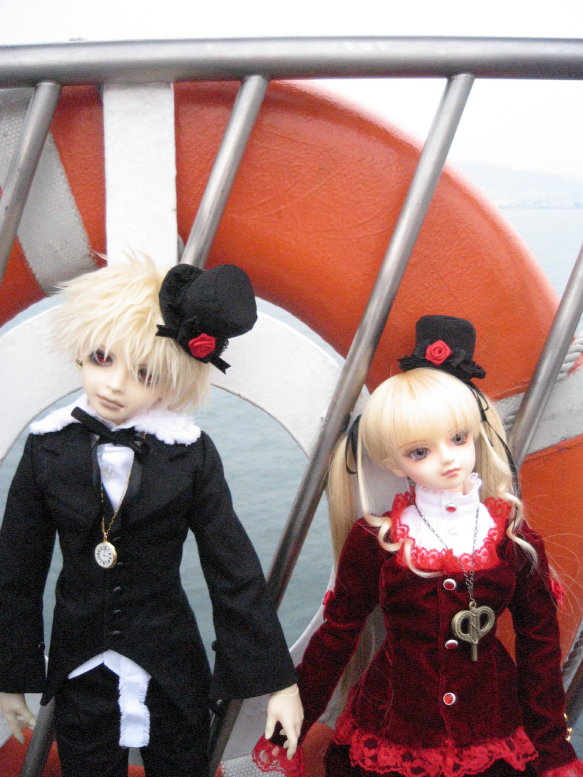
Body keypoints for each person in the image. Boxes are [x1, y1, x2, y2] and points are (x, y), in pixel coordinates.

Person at [0, 257, 303, 777]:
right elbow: (17, 570)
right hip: (80, 669)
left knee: (183, 763)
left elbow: (231, 568)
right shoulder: (48, 449)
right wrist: (12, 675)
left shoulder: (188, 453)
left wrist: (277, 680)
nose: (114, 385)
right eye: (101, 358)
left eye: (143, 373)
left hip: (171, 665)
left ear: (171, 379)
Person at [254, 315, 582, 777]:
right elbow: (339, 632)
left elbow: (539, 646)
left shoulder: (514, 540)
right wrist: (299, 703)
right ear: (394, 462)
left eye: (458, 438)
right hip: (392, 730)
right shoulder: (377, 541)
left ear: (474, 434)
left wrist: (551, 748)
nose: (447, 458)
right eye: (419, 452)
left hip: (492, 729)